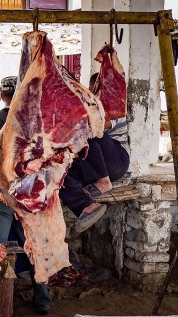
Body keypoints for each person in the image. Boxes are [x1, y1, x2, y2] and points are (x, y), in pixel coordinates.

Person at [0, 76, 52, 315]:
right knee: (35, 243)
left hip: (7, 190)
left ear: (4, 96)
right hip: (33, 191)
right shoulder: (36, 121)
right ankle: (42, 299)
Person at [59, 72, 130, 233]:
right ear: (91, 90)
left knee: (90, 129)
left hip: (117, 162)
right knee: (61, 175)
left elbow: (97, 125)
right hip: (93, 165)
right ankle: (87, 206)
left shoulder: (117, 111)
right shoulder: (89, 107)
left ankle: (104, 182)